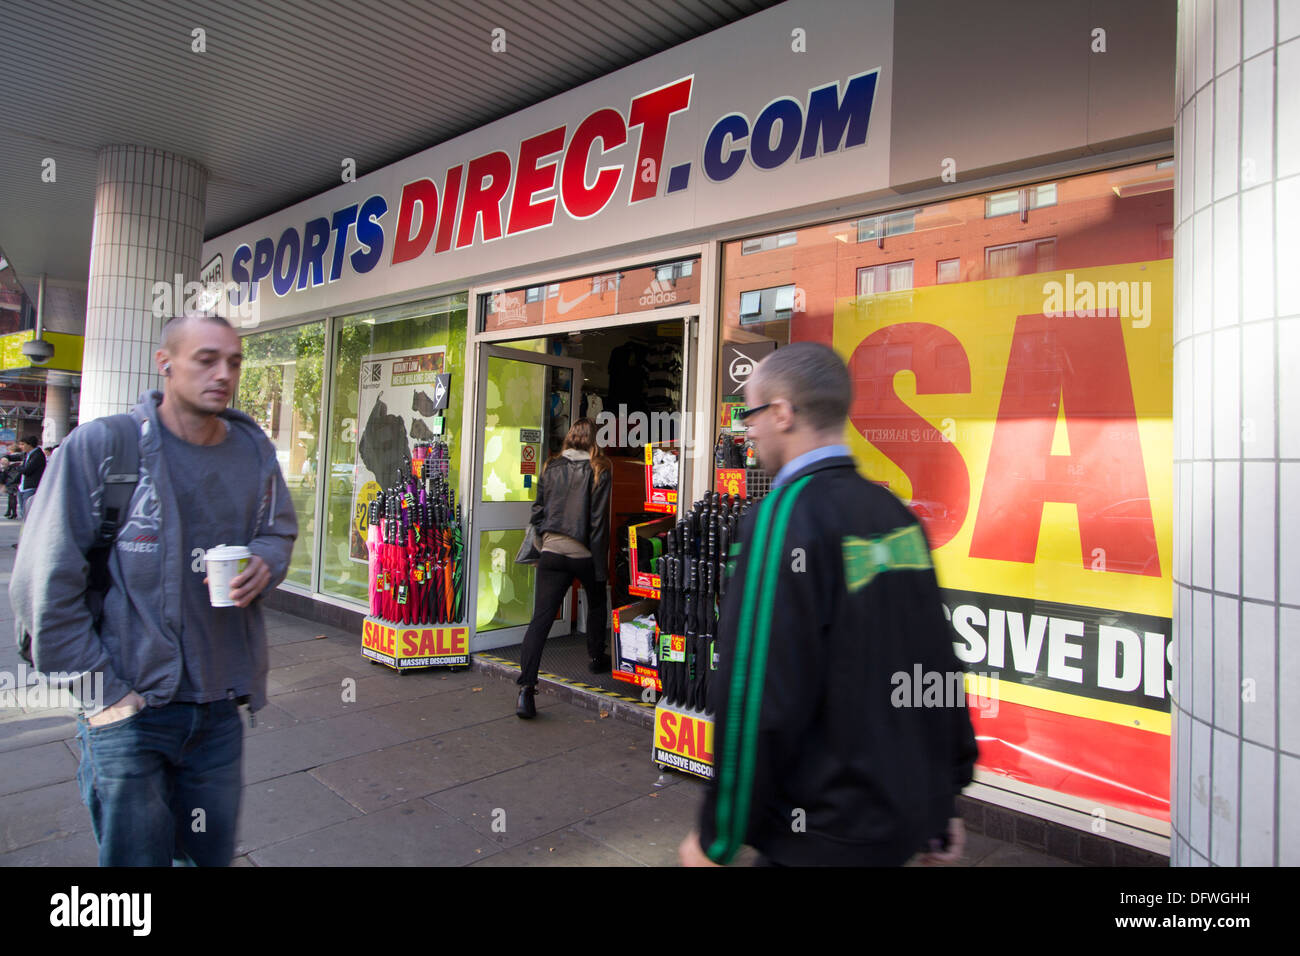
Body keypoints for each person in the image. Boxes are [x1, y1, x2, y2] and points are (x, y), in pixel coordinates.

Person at [10, 312, 298, 866]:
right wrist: (104, 695)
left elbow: (277, 529)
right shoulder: (104, 448)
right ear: (165, 364)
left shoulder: (252, 452)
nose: (223, 374)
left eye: (233, 362)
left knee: (206, 858)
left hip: (218, 708)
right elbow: (43, 583)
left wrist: (266, 559)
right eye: (206, 359)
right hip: (131, 707)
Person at [679, 342, 979, 867]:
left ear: (783, 413)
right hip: (898, 828)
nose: (748, 429)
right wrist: (943, 801)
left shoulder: (782, 519)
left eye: (751, 413)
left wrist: (717, 837)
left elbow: (754, 695)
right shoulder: (895, 515)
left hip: (817, 836)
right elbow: (935, 661)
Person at [515, 417, 612, 718]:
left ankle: (525, 691)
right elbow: (598, 523)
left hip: (553, 552)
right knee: (596, 603)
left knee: (540, 621)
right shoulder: (600, 469)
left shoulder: (550, 466)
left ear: (570, 437)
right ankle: (596, 657)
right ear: (595, 439)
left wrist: (544, 543)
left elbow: (538, 511)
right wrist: (599, 565)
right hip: (583, 552)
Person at [16, 435, 46, 518]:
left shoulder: (38, 455)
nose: (20, 447)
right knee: (23, 513)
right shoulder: (27, 454)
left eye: (22, 444)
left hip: (31, 487)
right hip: (22, 487)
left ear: (29, 444)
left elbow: (27, 470)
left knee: (28, 514)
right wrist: (6, 457)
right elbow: (14, 457)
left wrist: (17, 467)